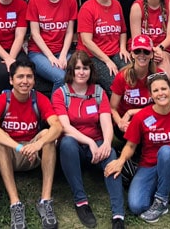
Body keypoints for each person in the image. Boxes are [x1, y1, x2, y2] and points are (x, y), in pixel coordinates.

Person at [104, 73, 170, 223]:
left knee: (166, 151)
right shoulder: (142, 117)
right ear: (150, 95)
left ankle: (161, 201)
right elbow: (130, 145)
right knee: (137, 206)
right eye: (155, 90)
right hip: (149, 165)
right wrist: (121, 161)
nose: (160, 93)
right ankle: (166, 185)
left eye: (164, 89)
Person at [53, 52, 125, 229]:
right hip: (74, 146)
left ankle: (118, 215)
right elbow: (65, 127)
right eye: (77, 68)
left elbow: (106, 122)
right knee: (67, 143)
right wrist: (89, 142)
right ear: (71, 71)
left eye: (85, 68)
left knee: (111, 154)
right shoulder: (61, 94)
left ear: (90, 70)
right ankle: (81, 202)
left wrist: (106, 143)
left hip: (97, 144)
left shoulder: (98, 92)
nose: (81, 72)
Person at [0, 60, 63, 229]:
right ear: (11, 80)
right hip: (11, 152)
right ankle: (15, 203)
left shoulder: (39, 99)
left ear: (34, 80)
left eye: (29, 77)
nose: (25, 81)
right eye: (20, 77)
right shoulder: (1, 100)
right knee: (0, 138)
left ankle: (45, 200)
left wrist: (38, 144)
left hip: (32, 151)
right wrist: (18, 147)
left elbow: (58, 126)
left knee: (47, 135)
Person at [26, 0, 78, 92]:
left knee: (80, 72)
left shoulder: (70, 0)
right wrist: (51, 57)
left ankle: (75, 102)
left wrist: (63, 55)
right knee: (61, 77)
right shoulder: (35, 1)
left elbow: (69, 32)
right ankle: (55, 104)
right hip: (39, 53)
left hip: (62, 51)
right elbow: (35, 33)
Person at [77, 0, 130, 91]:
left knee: (131, 75)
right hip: (93, 55)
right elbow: (86, 41)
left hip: (114, 51)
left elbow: (123, 31)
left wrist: (123, 48)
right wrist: (107, 60)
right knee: (114, 83)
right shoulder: (87, 8)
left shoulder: (116, 4)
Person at [129, 0, 170, 97]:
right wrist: (149, 51)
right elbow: (136, 38)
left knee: (162, 59)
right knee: (144, 61)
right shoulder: (137, 6)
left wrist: (159, 49)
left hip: (164, 48)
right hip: (142, 48)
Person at [109, 35, 160, 137]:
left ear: (152, 55)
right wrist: (121, 123)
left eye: (146, 52)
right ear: (132, 54)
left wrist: (132, 112)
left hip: (150, 118)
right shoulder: (122, 76)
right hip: (127, 121)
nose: (142, 55)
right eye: (137, 51)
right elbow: (112, 108)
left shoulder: (158, 76)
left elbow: (164, 106)